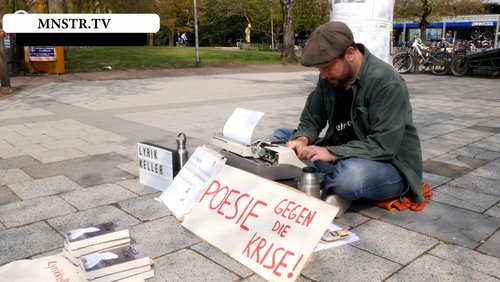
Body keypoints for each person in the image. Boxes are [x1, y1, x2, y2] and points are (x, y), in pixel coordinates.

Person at [270, 21, 423, 217]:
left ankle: (325, 182)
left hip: (387, 165)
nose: (323, 75)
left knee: (350, 176)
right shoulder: (329, 77)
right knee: (280, 137)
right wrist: (302, 140)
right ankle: (328, 185)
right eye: (319, 69)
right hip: (340, 155)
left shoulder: (387, 82)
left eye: (326, 67)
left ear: (349, 53)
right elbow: (312, 118)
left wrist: (331, 153)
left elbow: (384, 146)